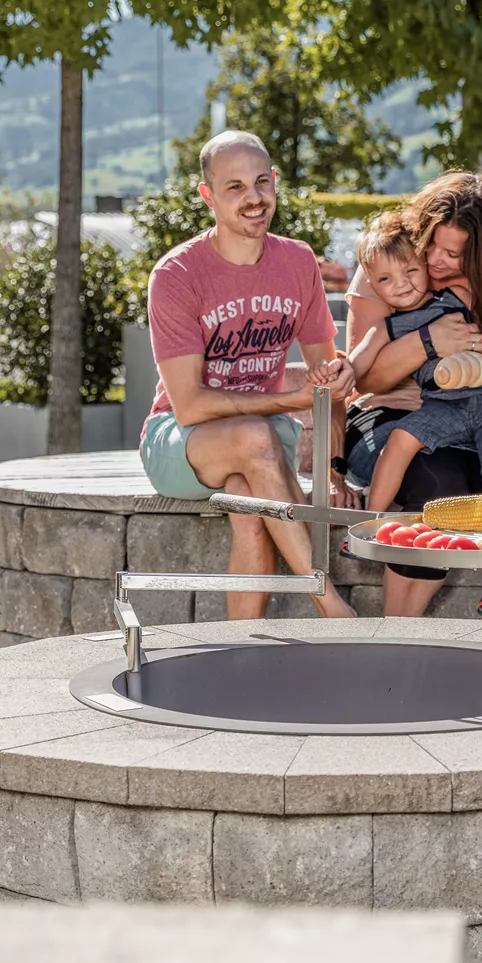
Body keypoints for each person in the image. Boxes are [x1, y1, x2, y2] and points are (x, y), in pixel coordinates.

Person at [140, 129, 357, 619]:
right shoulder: (176, 275)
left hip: (263, 438)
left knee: (248, 502)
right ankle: (330, 605)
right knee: (256, 437)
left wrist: (333, 466)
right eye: (235, 187)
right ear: (208, 196)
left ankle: (241, 644)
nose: (254, 198)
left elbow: (326, 378)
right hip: (181, 439)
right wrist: (292, 401)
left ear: (274, 181)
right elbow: (190, 405)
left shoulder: (297, 261)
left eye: (261, 182)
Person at [344, 173, 482, 617]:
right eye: (432, 246)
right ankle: (398, 627)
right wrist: (427, 342)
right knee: (440, 482)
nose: (436, 261)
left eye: (454, 253)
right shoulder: (390, 261)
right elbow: (365, 381)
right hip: (395, 414)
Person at [346, 212, 482, 512]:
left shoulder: (455, 296)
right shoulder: (385, 328)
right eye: (385, 279)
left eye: (410, 271)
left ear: (425, 265)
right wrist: (338, 371)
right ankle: (371, 521)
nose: (401, 284)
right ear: (371, 283)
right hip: (445, 405)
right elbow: (354, 367)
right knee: (400, 438)